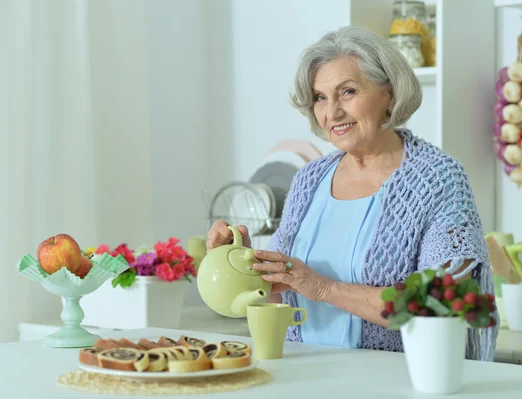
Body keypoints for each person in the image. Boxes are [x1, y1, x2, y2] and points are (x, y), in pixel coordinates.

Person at [207, 26, 498, 362]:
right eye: (320, 97)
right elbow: (277, 295)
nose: (332, 112)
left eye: (347, 91)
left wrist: (325, 288)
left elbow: (440, 303)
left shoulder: (438, 179)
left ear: (389, 93)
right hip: (302, 372)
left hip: (393, 381)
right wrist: (240, 264)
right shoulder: (309, 179)